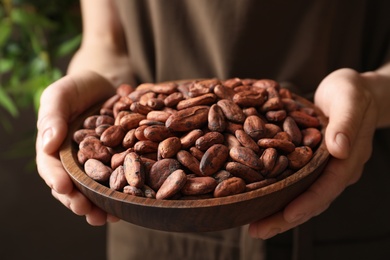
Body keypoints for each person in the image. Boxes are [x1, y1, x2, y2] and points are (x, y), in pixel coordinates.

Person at [36, 0, 390, 259]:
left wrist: (372, 92)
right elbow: (105, 40)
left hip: (340, 204)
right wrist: (104, 80)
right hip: (153, 225)